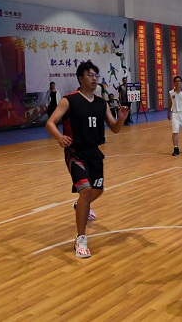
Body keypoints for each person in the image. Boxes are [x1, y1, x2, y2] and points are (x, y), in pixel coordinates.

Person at [45, 61, 129, 258]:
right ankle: (81, 239)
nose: (94, 79)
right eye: (90, 75)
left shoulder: (101, 103)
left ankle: (81, 206)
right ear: (80, 78)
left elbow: (115, 129)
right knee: (86, 190)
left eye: (96, 76)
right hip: (75, 152)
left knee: (98, 190)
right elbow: (50, 123)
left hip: (94, 152)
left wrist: (121, 118)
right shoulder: (69, 100)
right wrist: (59, 137)